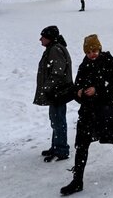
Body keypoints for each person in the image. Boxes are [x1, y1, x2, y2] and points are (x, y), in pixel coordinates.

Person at [61, 34, 113, 196]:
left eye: (94, 50)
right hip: (88, 112)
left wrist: (97, 91)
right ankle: (77, 180)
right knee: (81, 145)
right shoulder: (84, 65)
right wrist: (78, 92)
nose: (92, 54)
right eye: (89, 51)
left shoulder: (107, 62)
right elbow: (76, 85)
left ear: (99, 48)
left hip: (107, 110)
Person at [34, 25, 74, 163]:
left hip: (57, 92)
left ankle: (62, 149)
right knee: (55, 120)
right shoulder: (53, 48)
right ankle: (56, 146)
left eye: (43, 37)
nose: (40, 39)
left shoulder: (55, 50)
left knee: (58, 121)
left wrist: (47, 87)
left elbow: (57, 72)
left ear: (49, 38)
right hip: (56, 92)